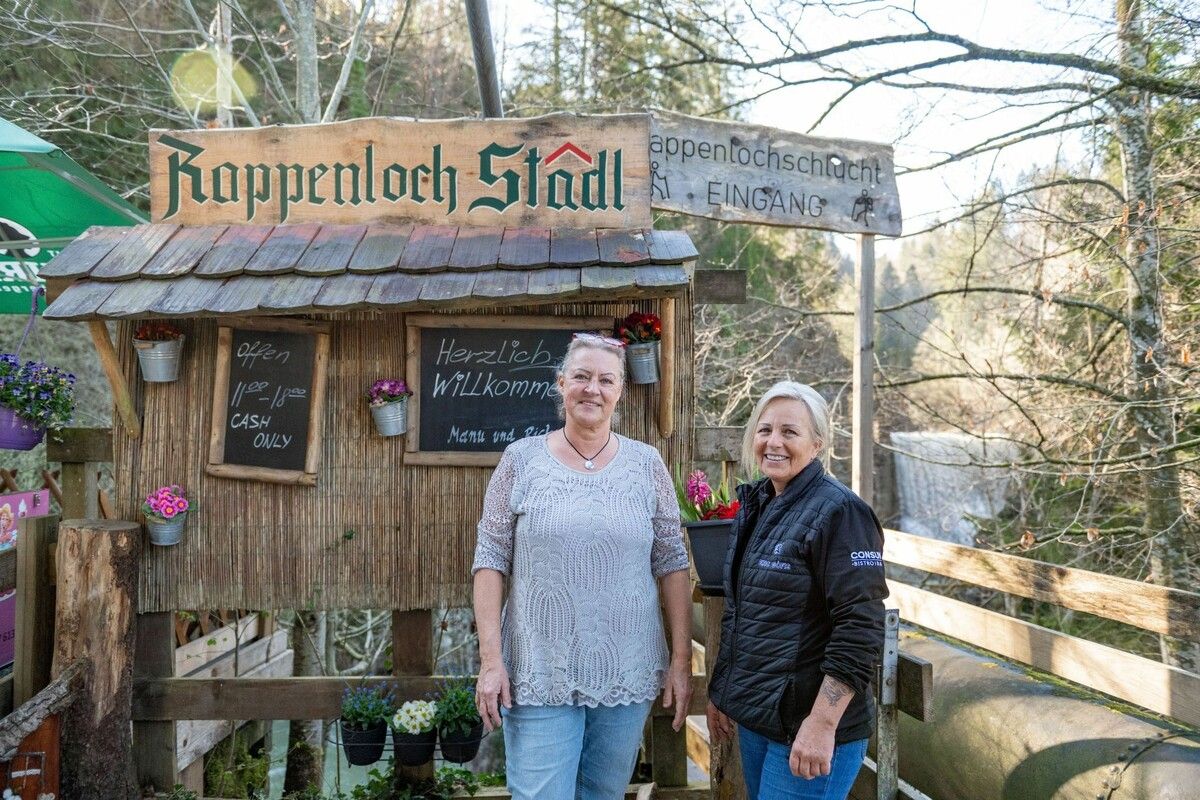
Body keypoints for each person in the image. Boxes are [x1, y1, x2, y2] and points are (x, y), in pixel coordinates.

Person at [472, 332, 694, 800]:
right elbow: (490, 560)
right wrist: (491, 662)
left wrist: (680, 661)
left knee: (603, 794)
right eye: (581, 377)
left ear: (619, 392)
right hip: (539, 669)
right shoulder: (521, 460)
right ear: (561, 384)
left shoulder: (646, 464)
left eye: (606, 379)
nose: (592, 388)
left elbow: (672, 562)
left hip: (625, 670)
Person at [707, 381, 887, 800]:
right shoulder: (760, 504)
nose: (774, 442)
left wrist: (822, 723)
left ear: (818, 443)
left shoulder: (842, 512)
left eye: (790, 432)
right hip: (761, 720)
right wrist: (724, 691)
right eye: (765, 429)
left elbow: (861, 626)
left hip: (810, 728)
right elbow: (744, 613)